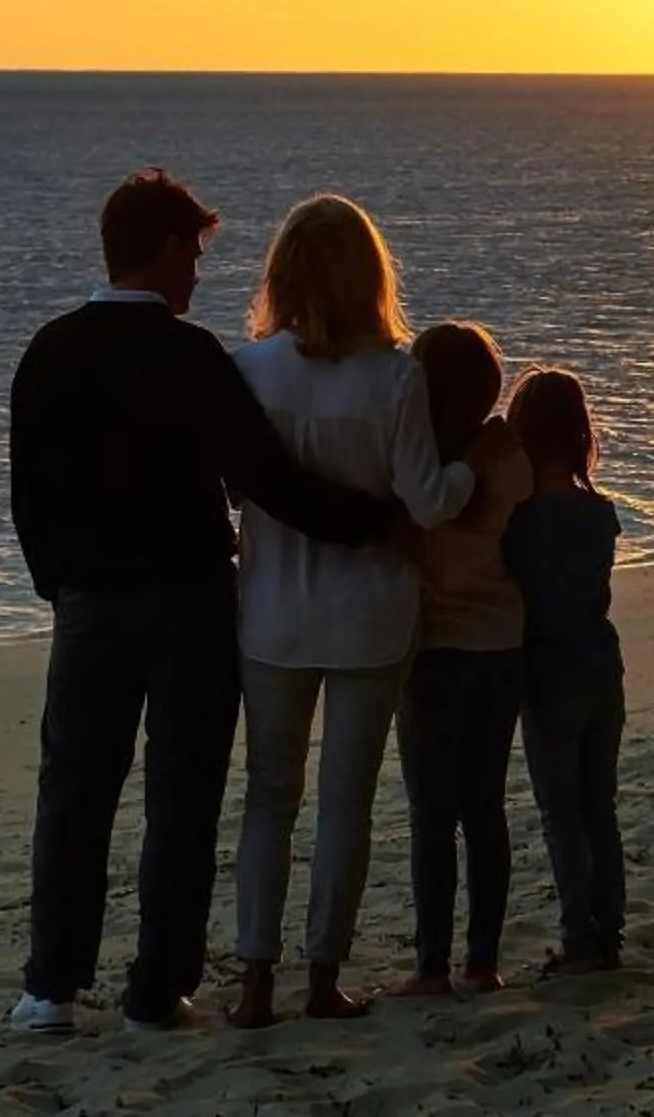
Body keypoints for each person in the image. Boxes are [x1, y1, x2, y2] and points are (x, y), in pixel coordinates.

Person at [7, 170, 406, 1036]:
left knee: (74, 792)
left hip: (92, 606)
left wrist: (62, 585)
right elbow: (267, 481)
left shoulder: (49, 350)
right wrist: (381, 521)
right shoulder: (191, 359)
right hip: (188, 602)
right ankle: (158, 988)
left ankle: (51, 985)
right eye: (190, 253)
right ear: (156, 252)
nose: (196, 272)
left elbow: (28, 497)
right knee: (180, 801)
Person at [228, 194, 478, 1027]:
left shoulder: (251, 368)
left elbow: (238, 489)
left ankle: (256, 975)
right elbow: (427, 501)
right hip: (370, 615)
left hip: (271, 612)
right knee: (345, 801)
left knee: (270, 796)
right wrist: (478, 467)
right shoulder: (395, 375)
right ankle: (324, 973)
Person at [387, 320, 534, 999]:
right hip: (501, 643)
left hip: (435, 650)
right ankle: (483, 961)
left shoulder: (411, 459)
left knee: (431, 815)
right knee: (485, 808)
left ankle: (431, 965)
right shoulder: (508, 458)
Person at [500, 366, 626, 975]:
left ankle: (580, 937)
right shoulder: (599, 514)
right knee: (600, 807)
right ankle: (611, 931)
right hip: (603, 669)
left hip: (549, 679)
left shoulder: (518, 523)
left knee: (562, 815)